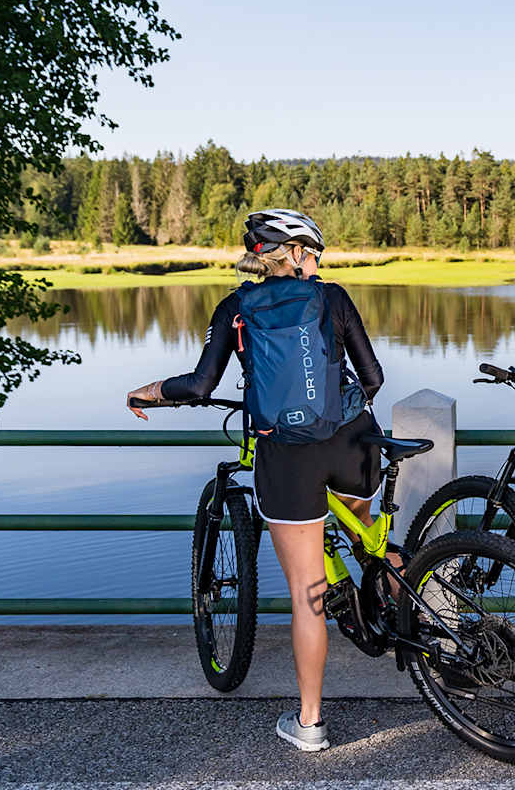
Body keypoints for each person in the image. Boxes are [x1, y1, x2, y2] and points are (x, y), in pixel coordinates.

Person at [126, 209, 386, 751]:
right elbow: (374, 378)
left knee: (306, 594)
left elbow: (200, 385)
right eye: (313, 253)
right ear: (293, 254)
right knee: (370, 545)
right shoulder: (333, 298)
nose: (317, 264)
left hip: (287, 458)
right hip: (354, 442)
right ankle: (389, 605)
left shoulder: (235, 307)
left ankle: (310, 723)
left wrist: (148, 391)